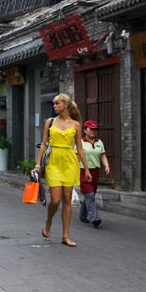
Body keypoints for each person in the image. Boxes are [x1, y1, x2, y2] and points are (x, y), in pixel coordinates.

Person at [34, 93, 92, 248]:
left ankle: (65, 236)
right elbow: (44, 144)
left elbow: (80, 148)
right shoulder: (50, 122)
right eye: (54, 104)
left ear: (66, 105)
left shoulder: (76, 125)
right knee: (55, 199)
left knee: (67, 199)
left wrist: (86, 169)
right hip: (53, 162)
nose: (54, 106)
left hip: (70, 163)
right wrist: (38, 164)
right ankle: (48, 222)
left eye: (57, 103)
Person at [79, 120, 110, 228]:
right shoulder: (80, 142)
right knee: (90, 195)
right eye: (91, 129)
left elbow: (102, 155)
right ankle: (95, 218)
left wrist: (106, 165)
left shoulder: (99, 142)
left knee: (90, 195)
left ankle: (83, 215)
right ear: (85, 130)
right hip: (83, 171)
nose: (93, 131)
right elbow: (75, 157)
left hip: (95, 171)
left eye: (95, 129)